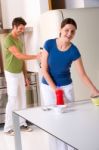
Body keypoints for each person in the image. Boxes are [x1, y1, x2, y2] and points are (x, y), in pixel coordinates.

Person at [40, 18, 99, 150]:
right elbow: (44, 69)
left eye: (72, 31)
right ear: (60, 30)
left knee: (69, 119)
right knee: (53, 120)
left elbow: (82, 75)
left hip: (66, 87)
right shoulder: (49, 44)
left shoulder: (74, 51)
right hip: (48, 87)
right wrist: (55, 89)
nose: (69, 33)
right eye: (66, 30)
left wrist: (96, 91)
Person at [3, 17, 40, 136]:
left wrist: (25, 76)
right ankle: (8, 128)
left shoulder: (19, 40)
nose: (22, 31)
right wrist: (36, 56)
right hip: (11, 73)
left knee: (22, 99)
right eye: (20, 29)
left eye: (23, 29)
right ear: (14, 26)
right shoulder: (8, 39)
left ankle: (21, 123)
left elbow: (22, 60)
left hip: (19, 72)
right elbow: (19, 55)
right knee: (13, 100)